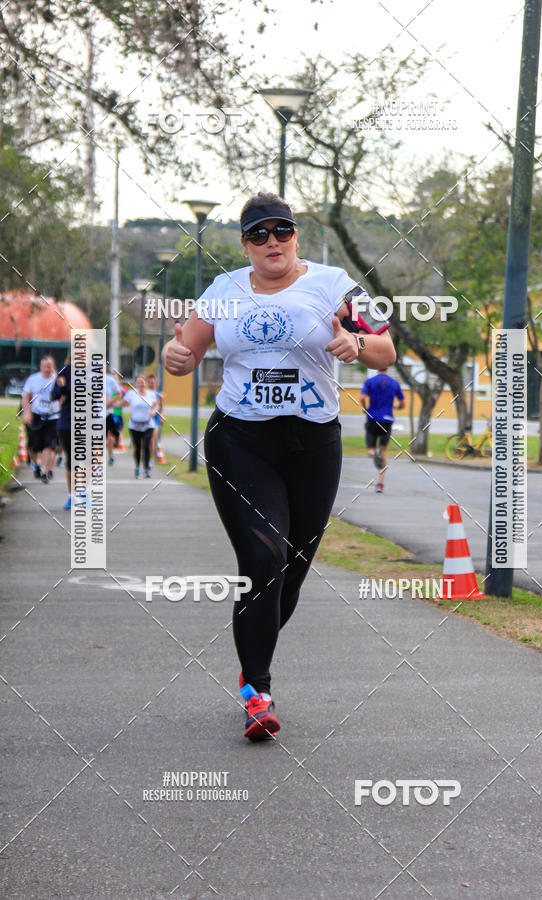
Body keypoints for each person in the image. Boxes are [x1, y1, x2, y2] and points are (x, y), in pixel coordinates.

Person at [162, 191, 396, 741]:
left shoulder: (336, 285)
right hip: (240, 440)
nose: (273, 241)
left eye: (282, 230)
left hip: (313, 443)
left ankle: (253, 660)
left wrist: (355, 344)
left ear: (296, 236)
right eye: (259, 234)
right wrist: (175, 359)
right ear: (244, 244)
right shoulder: (223, 292)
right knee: (262, 557)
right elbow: (184, 354)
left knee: (291, 568)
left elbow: (385, 350)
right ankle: (258, 692)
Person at [360, 367, 405, 493]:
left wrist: (365, 408)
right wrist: (396, 407)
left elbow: (362, 397)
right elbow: (403, 403)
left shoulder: (370, 381)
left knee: (370, 450)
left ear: (377, 368)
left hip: (373, 419)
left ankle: (374, 454)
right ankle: (380, 484)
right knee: (384, 450)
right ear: (387, 368)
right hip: (387, 420)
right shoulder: (394, 383)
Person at [22, 355, 60, 484]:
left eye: (49, 366)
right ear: (40, 367)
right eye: (44, 366)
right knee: (34, 447)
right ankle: (36, 464)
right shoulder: (33, 379)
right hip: (36, 416)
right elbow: (26, 397)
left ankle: (45, 471)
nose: (47, 369)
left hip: (53, 417)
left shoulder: (58, 380)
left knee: (49, 445)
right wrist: (27, 413)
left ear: (53, 366)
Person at [122, 375, 157, 478]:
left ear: (145, 383)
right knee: (137, 447)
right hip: (134, 425)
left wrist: (154, 411)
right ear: (136, 384)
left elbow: (156, 404)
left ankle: (146, 469)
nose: (141, 384)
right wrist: (111, 404)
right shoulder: (131, 393)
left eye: (142, 382)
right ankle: (137, 467)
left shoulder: (151, 394)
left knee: (146, 446)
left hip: (148, 425)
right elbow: (123, 403)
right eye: (138, 382)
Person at [51, 356, 72, 509]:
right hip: (67, 422)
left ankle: (84, 492)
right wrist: (61, 386)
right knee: (71, 460)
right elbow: (54, 395)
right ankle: (72, 496)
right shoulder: (65, 371)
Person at [105, 366, 124, 464]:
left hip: (110, 413)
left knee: (111, 437)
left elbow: (119, 395)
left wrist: (110, 403)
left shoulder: (110, 381)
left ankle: (111, 455)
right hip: (96, 414)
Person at [145, 372, 163, 466]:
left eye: (153, 382)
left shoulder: (159, 395)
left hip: (155, 419)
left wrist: (161, 417)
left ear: (156, 383)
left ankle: (149, 460)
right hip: (143, 419)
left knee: (151, 439)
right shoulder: (144, 393)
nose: (151, 384)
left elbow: (162, 407)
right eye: (149, 382)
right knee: (144, 440)